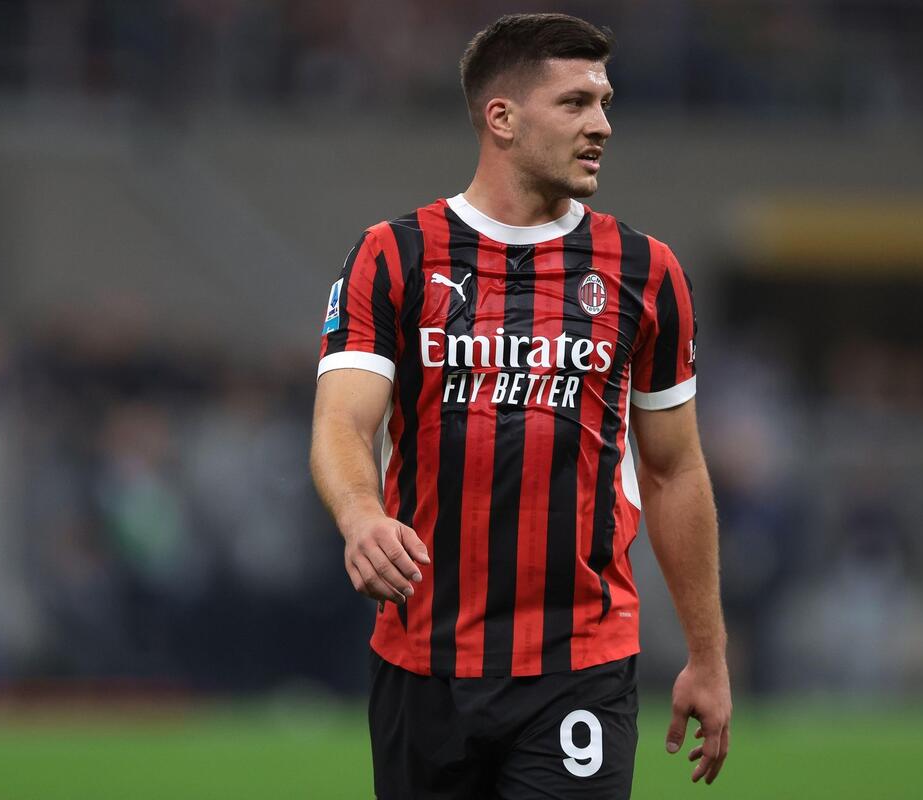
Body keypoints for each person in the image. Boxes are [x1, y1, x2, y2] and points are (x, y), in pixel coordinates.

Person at [310, 13, 730, 799]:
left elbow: (674, 471)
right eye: (575, 103)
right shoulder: (394, 256)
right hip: (423, 661)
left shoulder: (646, 271)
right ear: (501, 118)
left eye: (605, 103)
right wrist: (361, 515)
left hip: (579, 663)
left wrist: (707, 656)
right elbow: (342, 421)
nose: (602, 125)